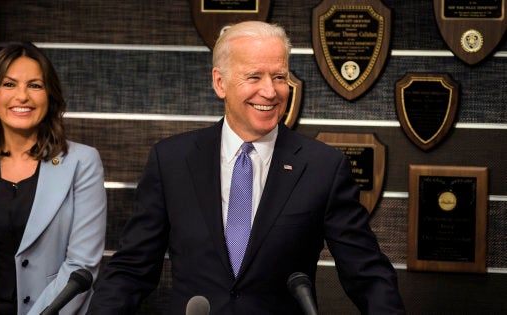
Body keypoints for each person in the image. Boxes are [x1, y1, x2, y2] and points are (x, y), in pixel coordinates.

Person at [88, 21, 405, 314]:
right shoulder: (172, 160)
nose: (270, 91)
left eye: (279, 77)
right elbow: (132, 269)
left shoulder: (323, 166)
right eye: (254, 76)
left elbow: (367, 274)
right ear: (220, 82)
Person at [0, 42, 107, 315]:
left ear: (50, 96)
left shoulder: (82, 163)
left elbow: (81, 264)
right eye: (9, 84)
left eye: (35, 85)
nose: (22, 96)